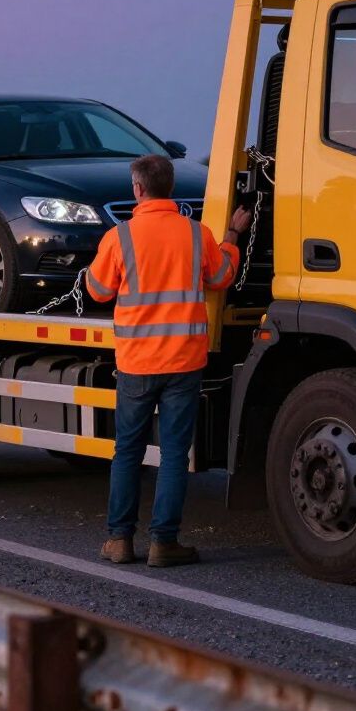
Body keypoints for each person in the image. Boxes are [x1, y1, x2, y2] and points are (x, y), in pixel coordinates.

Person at [85, 154, 251, 567]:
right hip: (183, 363)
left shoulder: (120, 237)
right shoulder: (197, 234)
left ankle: (120, 541)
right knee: (175, 455)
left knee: (127, 452)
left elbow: (99, 291)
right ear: (171, 188)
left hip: (137, 363)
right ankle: (164, 543)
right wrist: (232, 233)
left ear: (138, 189)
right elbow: (221, 276)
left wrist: (92, 268)